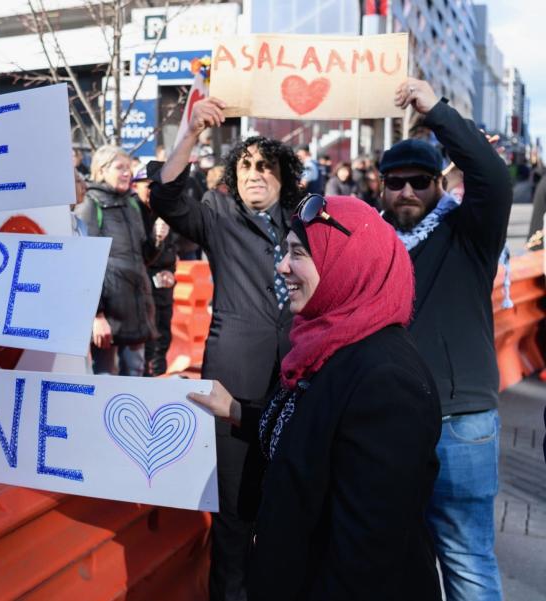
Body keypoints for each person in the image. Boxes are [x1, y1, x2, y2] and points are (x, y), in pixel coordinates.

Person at [189, 194, 442, 601]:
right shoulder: (329, 344)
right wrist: (234, 409)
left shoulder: (386, 379)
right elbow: (312, 434)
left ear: (348, 264)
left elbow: (366, 553)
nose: (282, 266)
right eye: (284, 251)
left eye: (298, 253)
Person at [151, 98, 302, 601]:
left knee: (293, 509)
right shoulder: (218, 215)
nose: (255, 174)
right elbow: (167, 198)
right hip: (233, 383)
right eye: (245, 166)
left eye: (266, 167)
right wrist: (191, 134)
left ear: (285, 175)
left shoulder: (308, 222)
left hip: (301, 381)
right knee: (234, 515)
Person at [380, 78, 512, 601]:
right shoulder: (370, 245)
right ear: (381, 187)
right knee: (394, 559)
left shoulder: (470, 231)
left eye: (420, 180)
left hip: (460, 424)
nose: (407, 191)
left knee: (466, 561)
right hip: (387, 421)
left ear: (440, 183)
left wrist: (435, 110)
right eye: (396, 181)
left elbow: (493, 178)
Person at [75, 145, 156, 376]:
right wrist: (97, 315)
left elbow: (144, 258)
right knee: (105, 381)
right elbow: (85, 263)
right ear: (101, 170)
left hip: (136, 309)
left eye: (128, 168)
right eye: (120, 167)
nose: (127, 173)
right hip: (108, 314)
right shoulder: (90, 204)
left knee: (135, 380)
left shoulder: (132, 203)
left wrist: (158, 241)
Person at [132, 168, 177, 377]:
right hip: (140, 286)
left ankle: (159, 379)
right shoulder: (132, 211)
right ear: (136, 186)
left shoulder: (165, 209)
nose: (152, 190)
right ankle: (148, 382)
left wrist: (170, 271)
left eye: (156, 186)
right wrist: (157, 240)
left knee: (163, 336)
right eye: (147, 185)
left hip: (163, 286)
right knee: (146, 342)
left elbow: (177, 245)